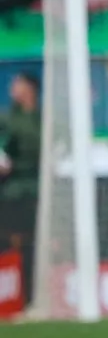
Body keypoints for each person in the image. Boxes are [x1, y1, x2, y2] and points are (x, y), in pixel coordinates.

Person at [0, 72, 42, 309]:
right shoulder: (7, 119)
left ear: (30, 88)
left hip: (36, 192)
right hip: (12, 192)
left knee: (33, 245)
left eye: (17, 83)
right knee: (13, 242)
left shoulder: (42, 118)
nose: (12, 88)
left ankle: (31, 294)